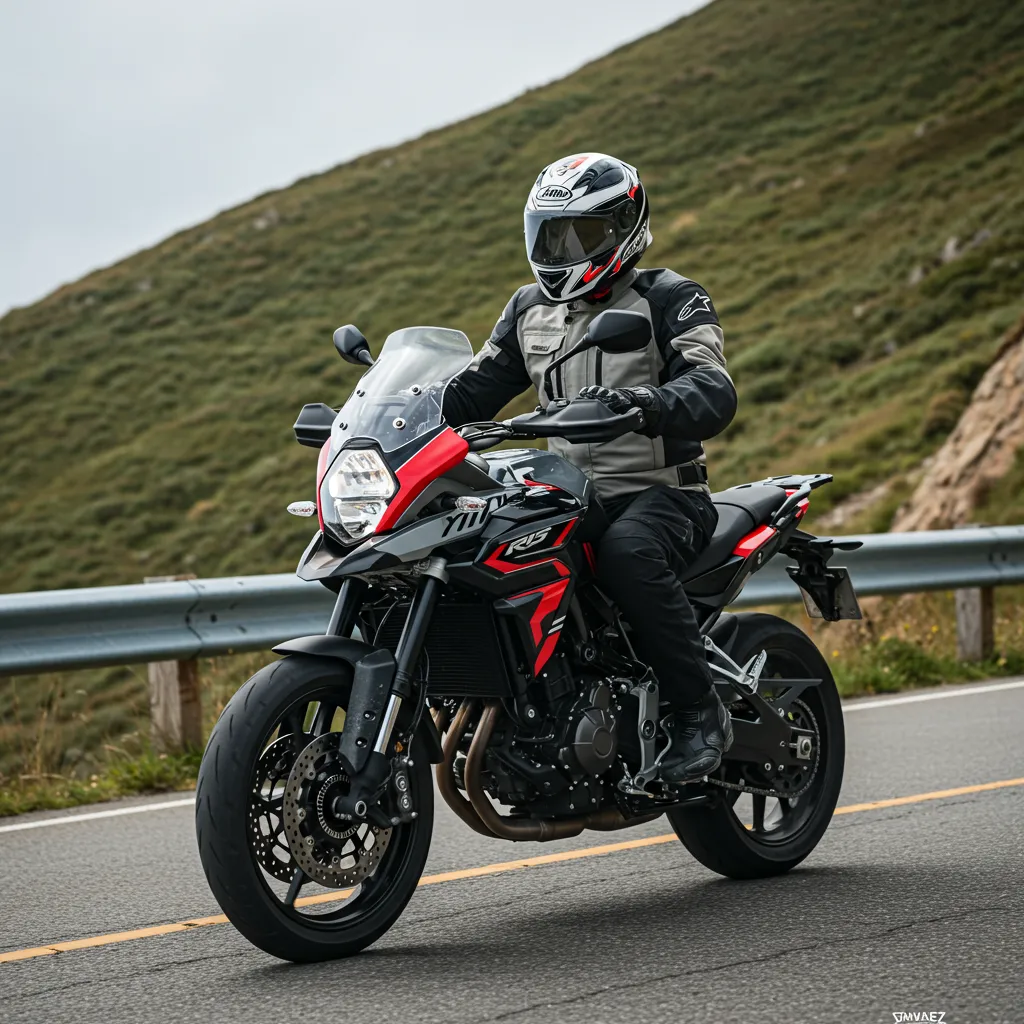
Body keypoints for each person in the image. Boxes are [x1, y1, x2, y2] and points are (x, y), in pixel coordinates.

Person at [442, 152, 737, 783]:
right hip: (569, 495)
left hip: (663, 494)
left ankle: (700, 713)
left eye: (580, 234)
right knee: (479, 549)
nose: (561, 251)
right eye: (550, 236)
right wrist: (385, 412)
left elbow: (713, 389)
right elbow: (470, 392)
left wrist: (645, 403)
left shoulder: (670, 298)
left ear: (624, 226)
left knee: (628, 553)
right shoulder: (528, 309)